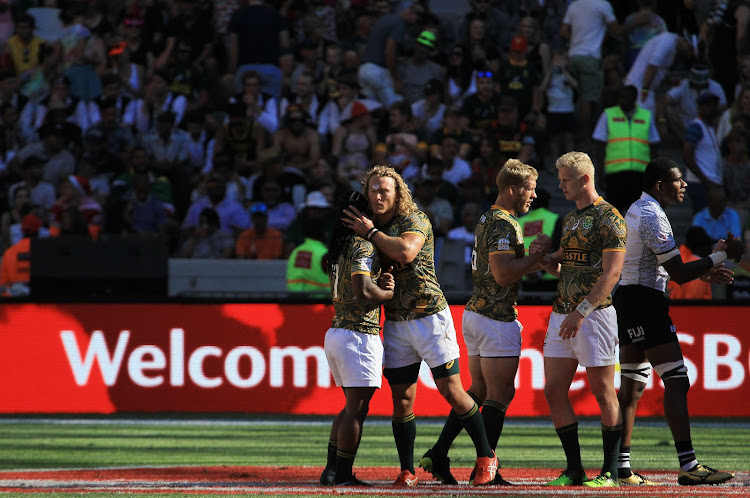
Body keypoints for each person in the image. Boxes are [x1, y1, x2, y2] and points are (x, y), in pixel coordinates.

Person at [342, 165, 498, 487]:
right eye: (373, 189)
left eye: (385, 189)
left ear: (398, 193)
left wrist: (371, 233)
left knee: (452, 391)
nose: (379, 194)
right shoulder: (367, 229)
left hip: (430, 317)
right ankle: (407, 470)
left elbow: (407, 251)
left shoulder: (415, 219)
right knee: (401, 399)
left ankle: (486, 455)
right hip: (397, 322)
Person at [418, 159, 552, 486]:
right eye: (529, 189)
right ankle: (485, 469)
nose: (533, 196)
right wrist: (536, 257)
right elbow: (504, 274)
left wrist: (545, 261)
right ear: (512, 188)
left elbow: (504, 266)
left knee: (478, 391)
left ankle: (438, 453)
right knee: (500, 393)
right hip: (496, 317)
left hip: (476, 312)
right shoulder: (505, 223)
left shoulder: (486, 218)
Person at [613, 157, 739, 486]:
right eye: (678, 179)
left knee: (632, 385)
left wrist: (708, 270)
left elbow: (658, 266)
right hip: (645, 302)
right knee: (677, 381)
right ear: (660, 185)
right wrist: (723, 255)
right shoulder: (654, 215)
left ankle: (622, 467)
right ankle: (688, 464)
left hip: (628, 299)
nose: (684, 185)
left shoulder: (638, 208)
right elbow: (679, 274)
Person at [530, 151, 626, 488]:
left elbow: (612, 273)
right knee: (554, 390)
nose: (560, 185)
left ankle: (611, 472)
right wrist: (542, 258)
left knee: (602, 392)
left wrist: (580, 312)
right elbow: (562, 268)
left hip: (594, 316)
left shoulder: (609, 217)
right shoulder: (570, 218)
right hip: (562, 314)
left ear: (585, 178)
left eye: (565, 179)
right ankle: (574, 469)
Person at [319, 190, 395, 487]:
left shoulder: (338, 246)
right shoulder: (363, 245)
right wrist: (386, 292)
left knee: (350, 406)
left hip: (337, 330)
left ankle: (331, 470)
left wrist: (378, 282)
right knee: (356, 410)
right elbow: (364, 290)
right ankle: (344, 474)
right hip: (358, 333)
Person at [593, 85, 660, 215]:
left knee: (636, 216)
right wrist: (600, 173)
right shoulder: (608, 115)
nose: (624, 101)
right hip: (615, 175)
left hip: (640, 174)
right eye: (621, 98)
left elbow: (654, 147)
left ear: (635, 98)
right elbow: (599, 146)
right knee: (615, 217)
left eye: (627, 98)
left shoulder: (646, 116)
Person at [683, 91, 723, 214]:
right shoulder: (696, 127)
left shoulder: (711, 126)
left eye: (714, 105)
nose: (712, 108)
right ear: (699, 107)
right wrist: (707, 182)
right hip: (701, 183)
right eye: (708, 105)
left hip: (710, 181)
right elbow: (687, 157)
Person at [666, 226, 715, 300]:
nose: (710, 252)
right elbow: (693, 301)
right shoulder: (697, 264)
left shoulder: (676, 259)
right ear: (702, 247)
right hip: (691, 310)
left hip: (676, 309)